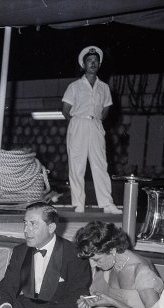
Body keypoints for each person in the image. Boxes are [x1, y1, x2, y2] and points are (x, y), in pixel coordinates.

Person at [62, 46, 121, 215]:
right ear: (84, 65)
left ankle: (107, 203)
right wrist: (75, 122)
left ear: (99, 64)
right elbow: (65, 109)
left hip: (96, 125)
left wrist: (97, 121)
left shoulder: (104, 87)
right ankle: (78, 202)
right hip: (78, 123)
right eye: (89, 61)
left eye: (95, 61)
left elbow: (106, 109)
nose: (93, 64)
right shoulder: (74, 86)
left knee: (100, 164)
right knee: (77, 164)